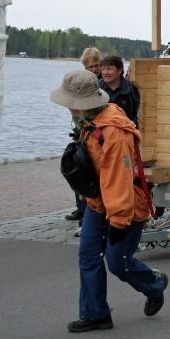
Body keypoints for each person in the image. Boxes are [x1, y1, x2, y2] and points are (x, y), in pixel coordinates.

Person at [50, 70, 168, 333]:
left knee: (118, 262)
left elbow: (119, 180)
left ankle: (155, 284)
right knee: (88, 255)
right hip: (98, 202)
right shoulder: (89, 121)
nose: (68, 107)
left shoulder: (113, 132)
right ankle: (96, 315)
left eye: (70, 103)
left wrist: (118, 222)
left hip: (124, 206)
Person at [66, 47, 104, 223]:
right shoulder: (81, 83)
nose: (95, 69)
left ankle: (91, 209)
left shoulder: (103, 83)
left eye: (97, 65)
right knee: (79, 168)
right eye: (90, 67)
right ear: (85, 67)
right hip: (82, 131)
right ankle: (81, 208)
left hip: (98, 132)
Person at [99, 55, 140, 127]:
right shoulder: (97, 87)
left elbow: (138, 114)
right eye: (103, 69)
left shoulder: (131, 89)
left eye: (109, 69)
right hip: (102, 132)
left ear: (119, 71)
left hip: (126, 131)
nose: (105, 72)